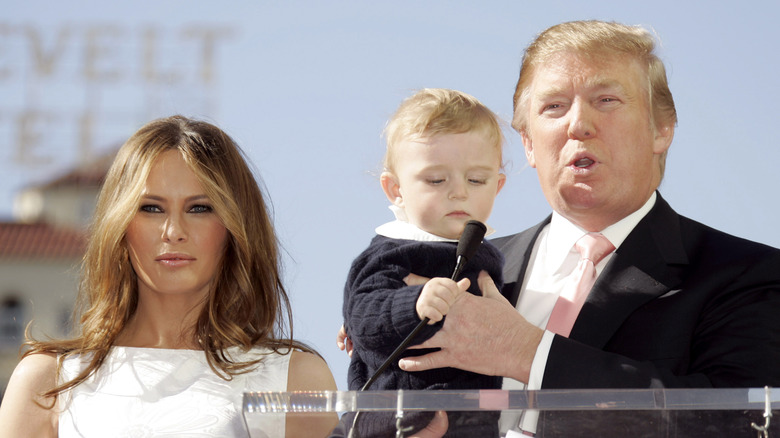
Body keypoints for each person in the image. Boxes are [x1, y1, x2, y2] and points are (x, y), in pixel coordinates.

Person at [340, 20, 780, 437]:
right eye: (554, 106)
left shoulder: (748, 274)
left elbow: (744, 422)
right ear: (529, 143)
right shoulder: (461, 268)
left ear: (661, 129)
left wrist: (528, 353)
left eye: (606, 99)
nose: (578, 124)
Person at [0, 115, 339, 438]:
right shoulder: (47, 382)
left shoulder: (295, 378)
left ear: (235, 228)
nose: (174, 231)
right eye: (151, 208)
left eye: (200, 208)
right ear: (119, 226)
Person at [341, 88, 506, 437]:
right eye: (436, 180)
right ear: (395, 190)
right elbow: (364, 316)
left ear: (499, 186)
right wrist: (413, 303)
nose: (459, 191)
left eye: (477, 179)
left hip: (471, 420)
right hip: (397, 417)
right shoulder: (393, 250)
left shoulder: (486, 252)